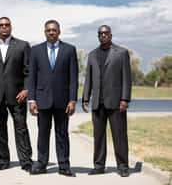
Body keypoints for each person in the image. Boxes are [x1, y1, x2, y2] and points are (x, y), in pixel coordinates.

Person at [0, 17, 32, 171]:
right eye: (1, 25)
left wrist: (26, 89)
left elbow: (28, 71)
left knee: (21, 128)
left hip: (17, 95)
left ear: (11, 27)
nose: (4, 27)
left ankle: (26, 161)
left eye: (7, 25)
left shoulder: (23, 45)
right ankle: (3, 161)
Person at [28, 20, 79, 177]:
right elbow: (32, 77)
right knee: (42, 134)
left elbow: (73, 78)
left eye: (54, 30)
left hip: (62, 101)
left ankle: (63, 165)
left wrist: (72, 100)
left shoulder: (69, 50)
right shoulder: (35, 50)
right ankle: (41, 164)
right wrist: (31, 100)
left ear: (59, 32)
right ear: (45, 32)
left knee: (62, 134)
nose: (51, 32)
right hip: (42, 99)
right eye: (49, 30)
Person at [82, 25, 131, 177]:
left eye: (106, 33)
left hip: (116, 102)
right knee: (98, 136)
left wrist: (125, 99)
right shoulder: (92, 54)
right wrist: (85, 98)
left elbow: (127, 78)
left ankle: (123, 166)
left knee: (120, 135)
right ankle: (99, 166)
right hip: (97, 102)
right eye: (100, 33)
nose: (103, 35)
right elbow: (88, 78)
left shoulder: (121, 53)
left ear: (111, 35)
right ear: (98, 36)